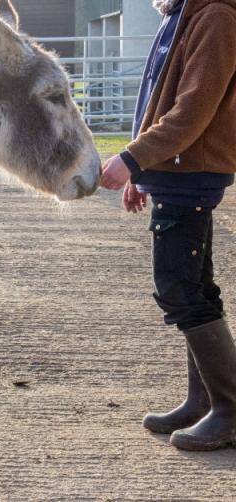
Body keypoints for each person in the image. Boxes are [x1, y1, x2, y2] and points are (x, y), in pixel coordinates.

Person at [100, 0, 236, 451]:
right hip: (176, 172)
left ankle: (231, 412)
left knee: (178, 287)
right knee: (195, 285)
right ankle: (205, 400)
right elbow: (155, 101)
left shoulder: (215, 17)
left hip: (192, 172)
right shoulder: (179, 13)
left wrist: (132, 158)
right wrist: (143, 172)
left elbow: (193, 111)